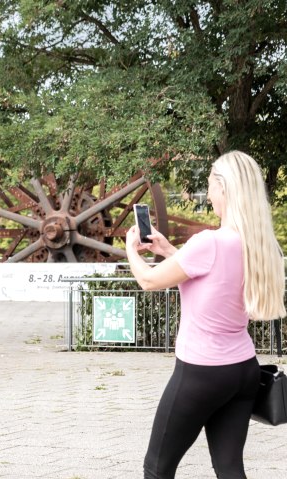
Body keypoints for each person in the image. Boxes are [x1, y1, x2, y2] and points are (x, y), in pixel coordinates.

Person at [125, 150, 286, 479]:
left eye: (211, 184)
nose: (208, 192)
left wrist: (131, 247)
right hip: (244, 371)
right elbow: (211, 276)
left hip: (201, 372)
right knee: (229, 468)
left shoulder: (209, 242)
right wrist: (169, 251)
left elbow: (148, 280)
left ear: (225, 189)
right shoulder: (259, 244)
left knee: (157, 469)